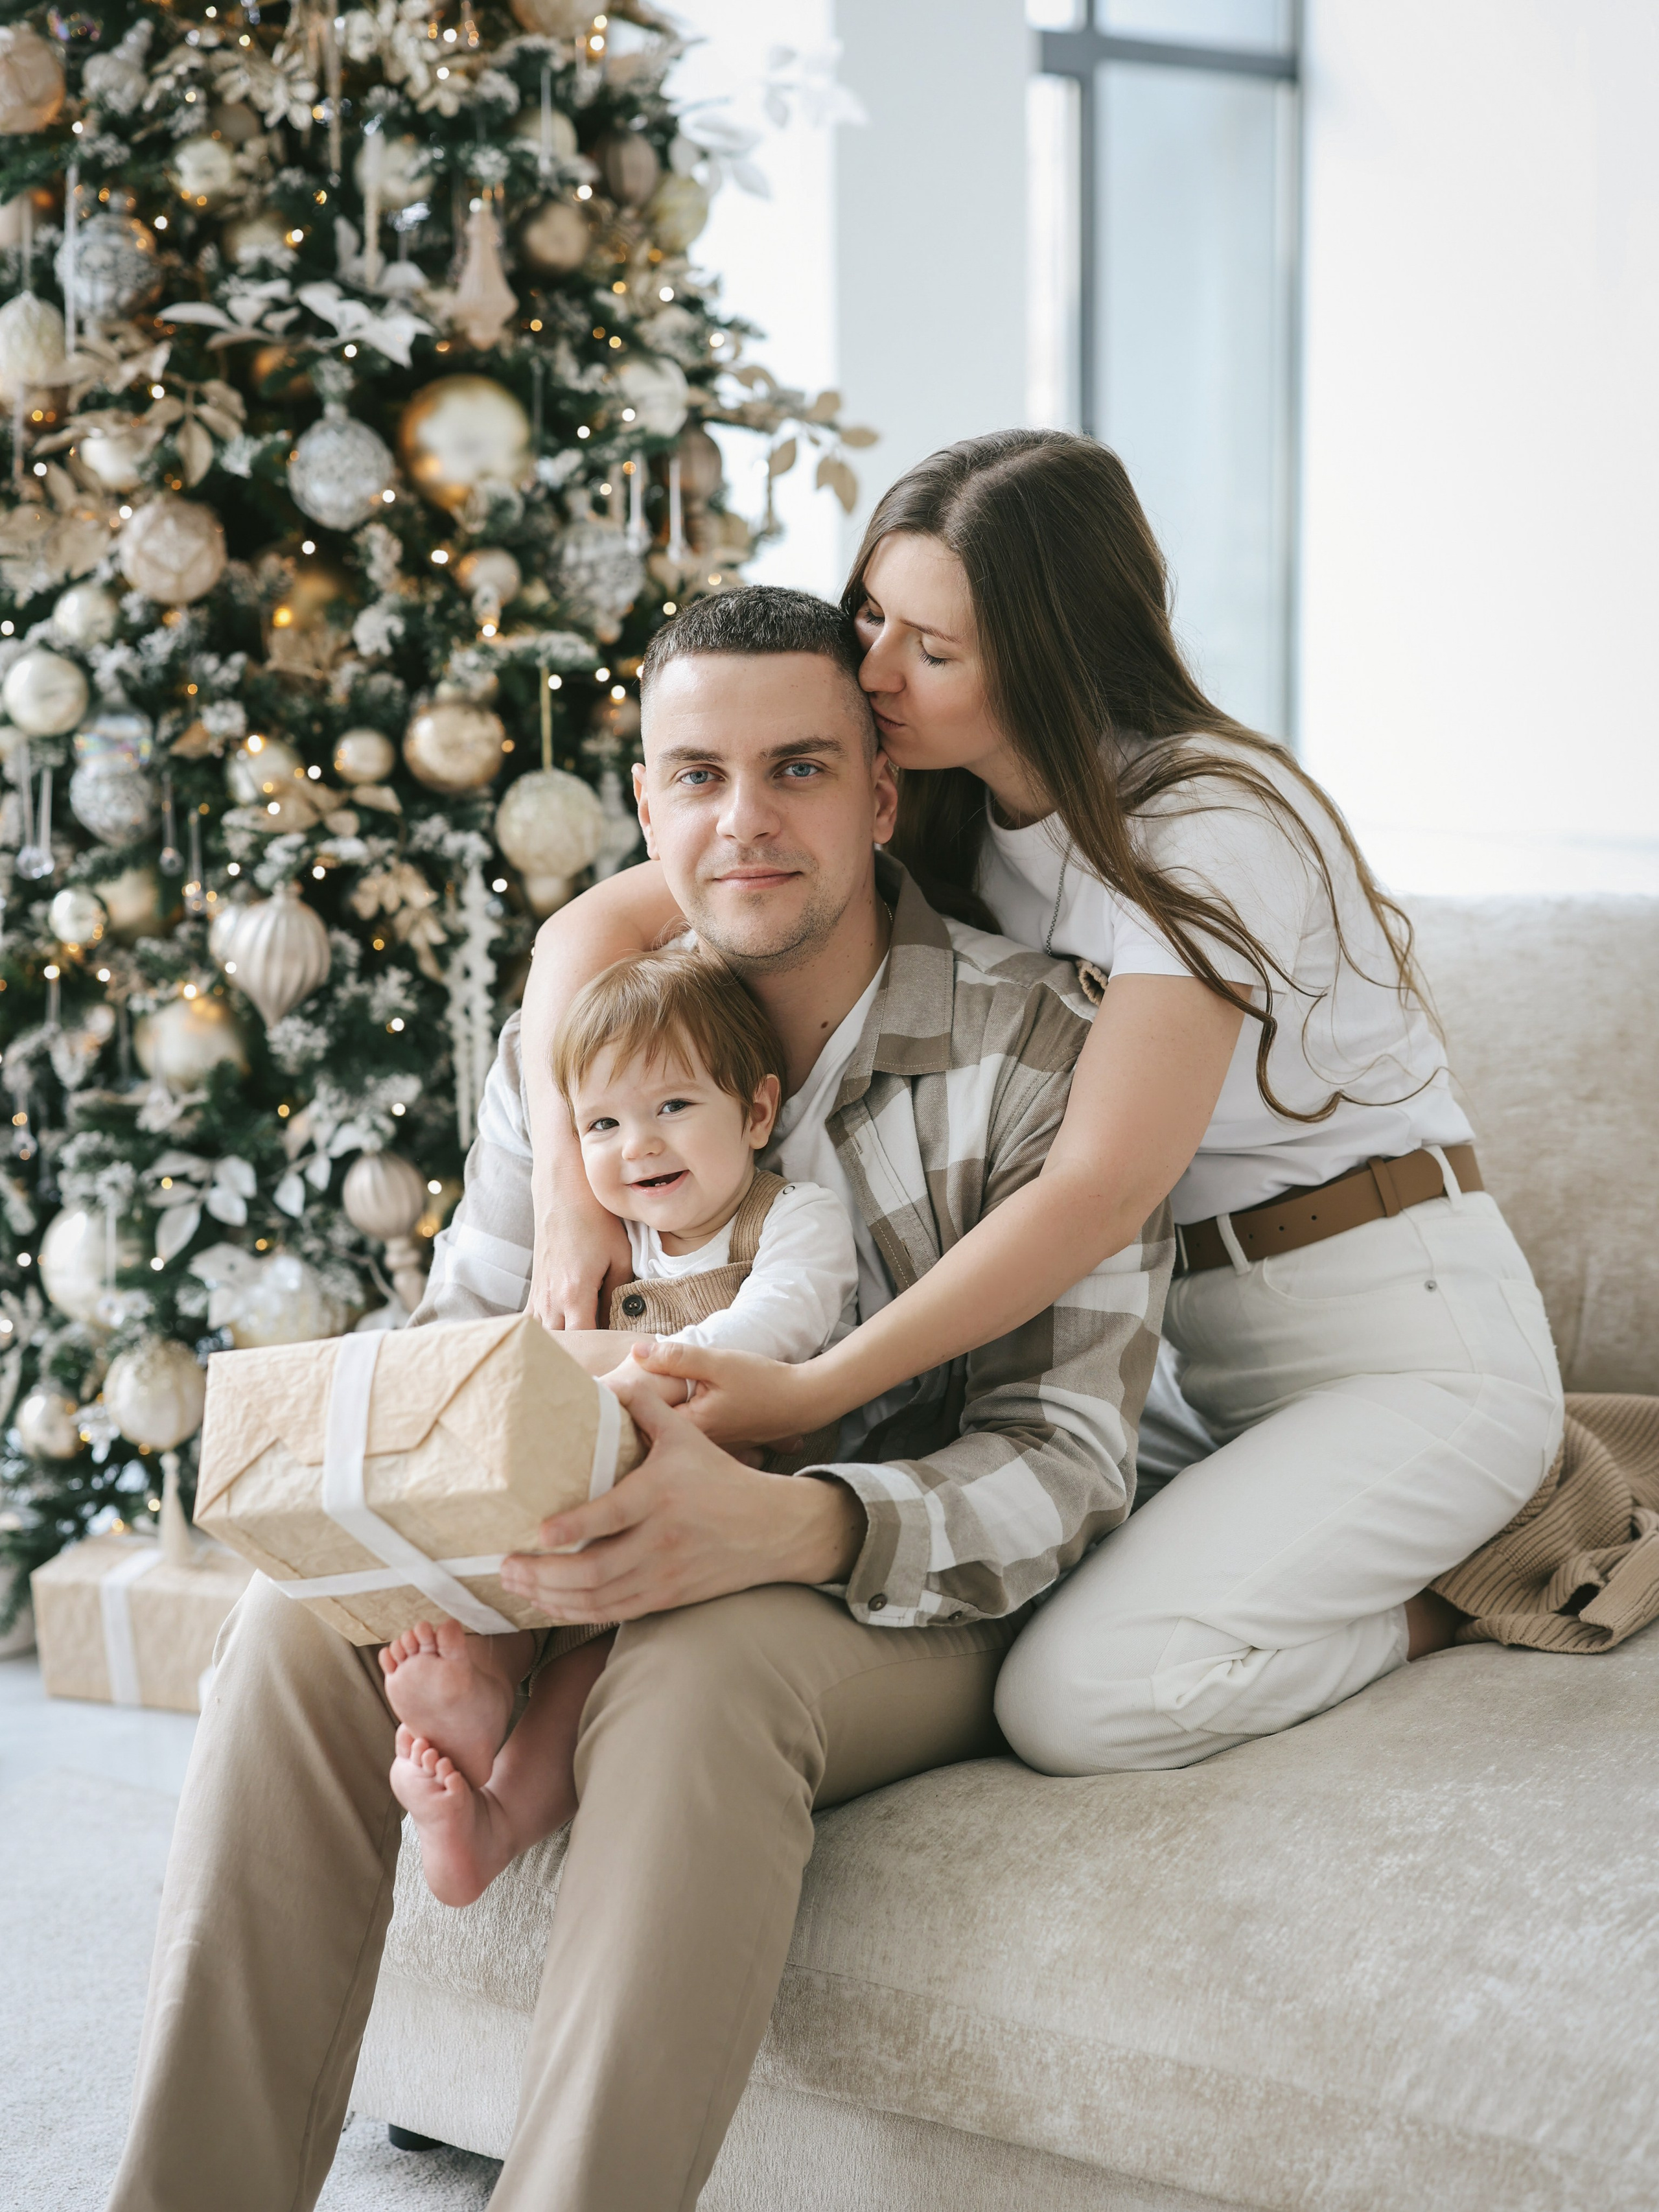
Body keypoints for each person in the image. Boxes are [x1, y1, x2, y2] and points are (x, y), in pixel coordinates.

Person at [109, 583, 1170, 2212]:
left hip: (888, 1594)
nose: (742, 822)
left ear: (882, 792)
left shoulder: (1036, 1050)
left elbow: (1068, 1464)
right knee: (289, 1623)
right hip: (578, 1536)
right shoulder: (584, 1044)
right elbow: (456, 1351)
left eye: (799, 769)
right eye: (695, 776)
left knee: (695, 1671)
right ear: (643, 801)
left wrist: (788, 1524)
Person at [520, 430, 1565, 1779]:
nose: (876, 673)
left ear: (1048, 658)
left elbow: (1097, 1188)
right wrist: (565, 1191)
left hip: (1396, 1339)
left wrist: (812, 1385)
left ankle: (1470, 1599)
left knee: (1079, 1702)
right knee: (1009, 1576)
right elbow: (584, 931)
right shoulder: (951, 812)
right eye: (871, 620)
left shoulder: (1207, 828)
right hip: (1193, 1357)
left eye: (932, 653)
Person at [382, 948, 859, 1908]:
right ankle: (476, 1701)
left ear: (757, 1113)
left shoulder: (794, 1220)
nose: (637, 1145)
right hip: (575, 1504)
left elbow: (774, 1330)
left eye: (672, 1107)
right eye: (602, 1123)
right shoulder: (603, 1243)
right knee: (509, 1593)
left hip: (710, 1530)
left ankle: (503, 1815)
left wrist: (605, 1362)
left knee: (594, 1675)